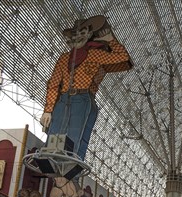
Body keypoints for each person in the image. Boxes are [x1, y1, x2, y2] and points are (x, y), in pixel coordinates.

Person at [40, 16, 132, 159]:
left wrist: (110, 40)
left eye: (82, 33)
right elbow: (53, 84)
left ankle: (70, 166)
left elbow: (123, 57)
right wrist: (48, 110)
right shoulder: (64, 58)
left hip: (82, 99)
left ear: (89, 35)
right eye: (74, 34)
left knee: (75, 134)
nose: (78, 37)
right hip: (63, 99)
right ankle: (51, 161)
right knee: (56, 130)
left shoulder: (95, 55)